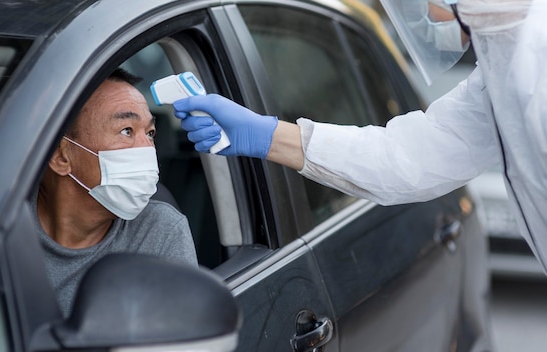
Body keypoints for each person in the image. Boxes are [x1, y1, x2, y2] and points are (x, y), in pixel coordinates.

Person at [172, 1, 547, 272]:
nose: (431, 11)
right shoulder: (503, 67)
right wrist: (267, 135)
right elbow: (410, 158)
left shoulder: (536, 56)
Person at [36, 68, 197, 316]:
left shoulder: (159, 231)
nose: (147, 149)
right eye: (127, 131)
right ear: (60, 155)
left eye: (150, 133)